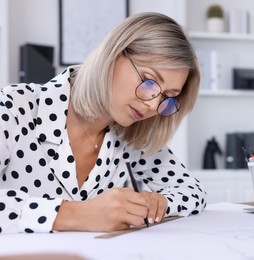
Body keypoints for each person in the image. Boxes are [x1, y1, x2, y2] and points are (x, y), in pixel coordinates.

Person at [0, 12, 207, 234]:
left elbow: (193, 190)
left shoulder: (134, 136)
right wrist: (77, 214)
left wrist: (159, 202)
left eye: (167, 97)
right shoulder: (13, 107)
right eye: (149, 81)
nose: (153, 105)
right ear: (114, 55)